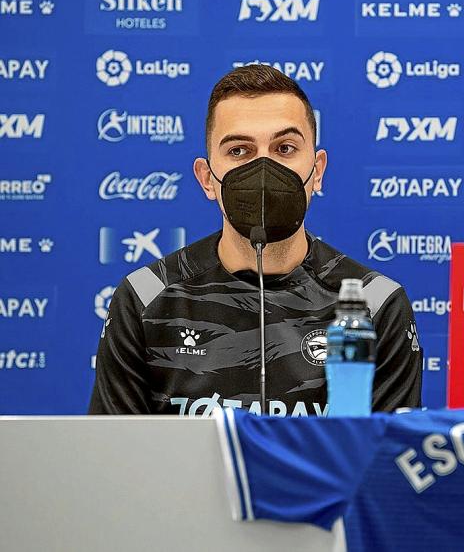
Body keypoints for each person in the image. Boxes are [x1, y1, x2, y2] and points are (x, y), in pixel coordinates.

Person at [88, 64, 422, 417]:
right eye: (239, 151)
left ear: (318, 171)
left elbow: (385, 463)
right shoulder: (145, 297)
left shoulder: (374, 306)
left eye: (285, 148)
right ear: (206, 178)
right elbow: (114, 459)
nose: (264, 168)